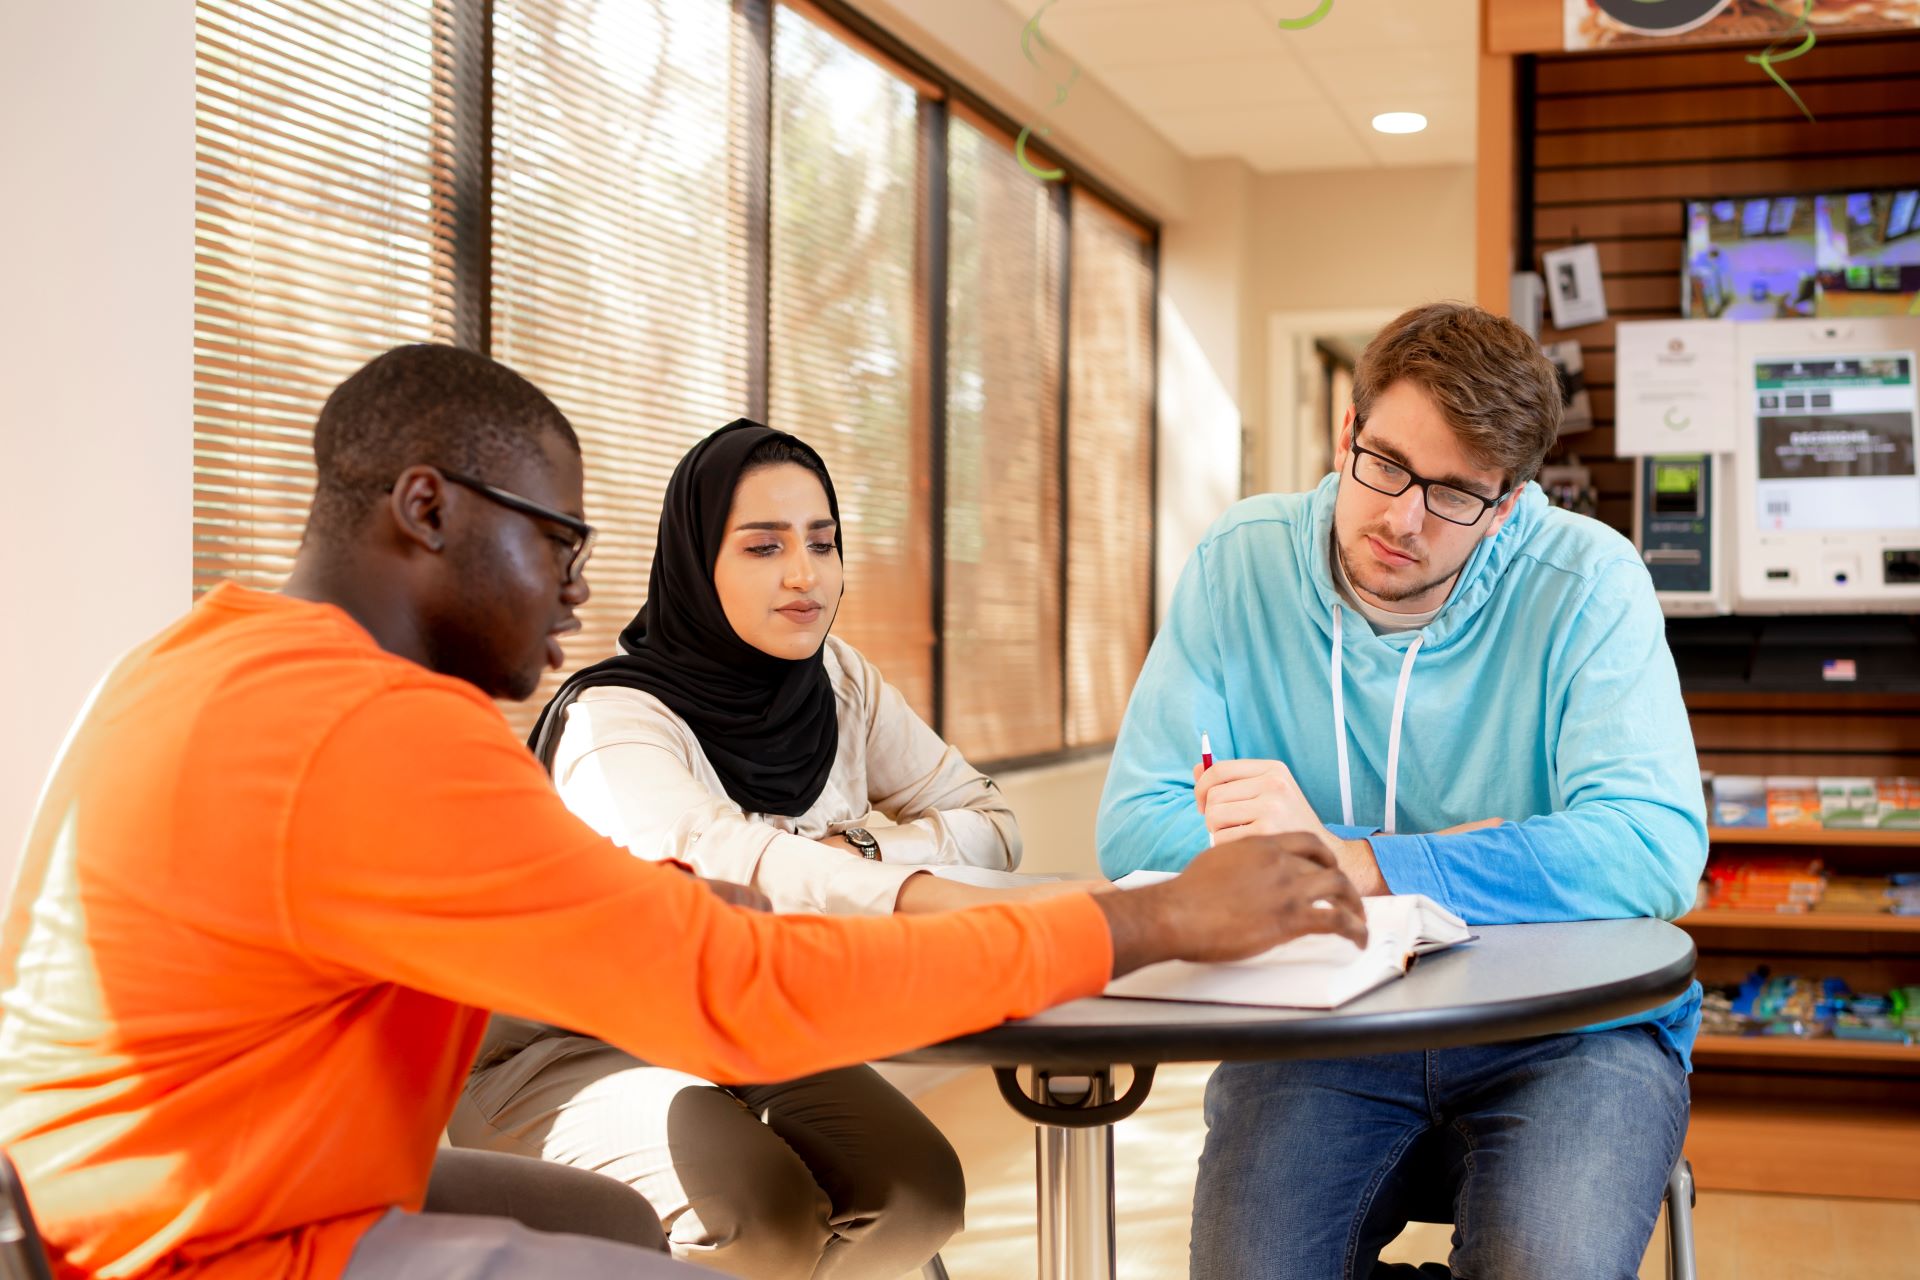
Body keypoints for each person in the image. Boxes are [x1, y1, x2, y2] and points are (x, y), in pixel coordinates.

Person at [0, 344, 1368, 1280]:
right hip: (196, 1239)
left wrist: (776, 888)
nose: (573, 590)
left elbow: (842, 864)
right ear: (424, 508)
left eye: (820, 542)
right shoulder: (395, 724)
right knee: (735, 1213)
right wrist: (1149, 917)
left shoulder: (212, 651)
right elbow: (731, 987)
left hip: (118, 1194)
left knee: (622, 1221)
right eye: (556, 540)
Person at [1096, 302, 1708, 1280]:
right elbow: (1139, 818)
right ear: (1347, 430)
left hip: (1569, 1030)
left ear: (1507, 502)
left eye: (1456, 492)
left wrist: (1360, 860)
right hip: (1321, 1018)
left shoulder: (1589, 582)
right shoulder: (1240, 561)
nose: (1401, 517)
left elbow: (1650, 846)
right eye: (1383, 463)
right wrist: (1393, 854)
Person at [452, 421, 1049, 1278]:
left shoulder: (839, 683)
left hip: (743, 1028)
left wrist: (852, 847)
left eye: (822, 542)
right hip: (567, 1048)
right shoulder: (610, 719)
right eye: (764, 547)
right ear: (700, 562)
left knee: (918, 1191)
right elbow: (710, 865)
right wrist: (894, 879)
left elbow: (991, 824)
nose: (804, 574)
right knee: (759, 1213)